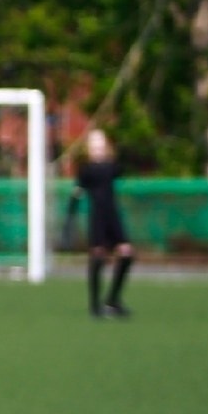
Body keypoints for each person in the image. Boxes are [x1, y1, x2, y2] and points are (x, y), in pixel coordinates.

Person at [71, 128, 134, 318]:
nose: (98, 149)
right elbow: (78, 192)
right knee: (98, 257)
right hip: (97, 218)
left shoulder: (112, 166)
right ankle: (94, 305)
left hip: (112, 216)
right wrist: (70, 216)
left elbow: (124, 166)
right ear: (89, 149)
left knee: (126, 254)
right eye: (94, 145)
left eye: (101, 144)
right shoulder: (86, 170)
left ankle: (113, 299)